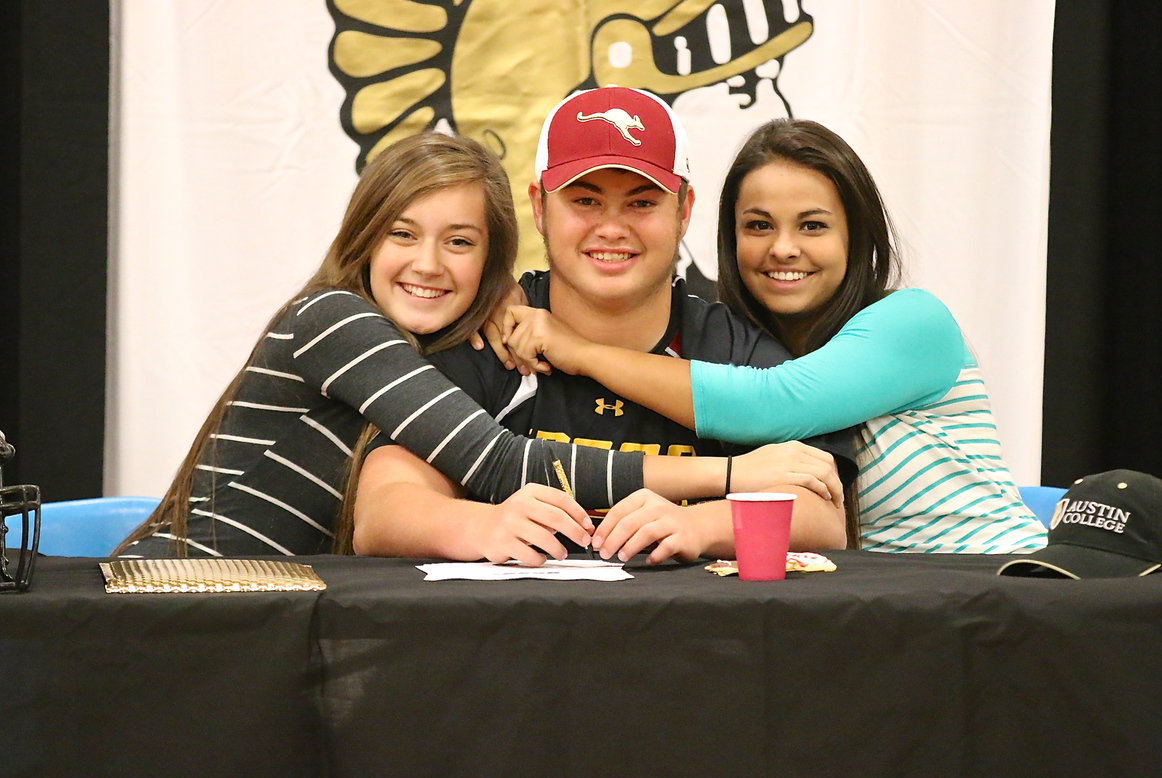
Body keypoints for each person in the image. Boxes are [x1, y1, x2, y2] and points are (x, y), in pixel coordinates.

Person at [116, 131, 824, 562]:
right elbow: (499, 462)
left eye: (459, 242)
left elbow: (826, 514)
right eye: (402, 234)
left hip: (263, 602)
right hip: (178, 588)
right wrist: (734, 477)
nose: (428, 264)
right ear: (363, 237)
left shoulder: (468, 332)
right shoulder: (334, 320)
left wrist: (502, 298)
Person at [356, 89, 858, 566]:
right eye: (585, 201)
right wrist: (481, 523)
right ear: (539, 207)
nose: (612, 228)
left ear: (683, 212)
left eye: (642, 203)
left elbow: (823, 514)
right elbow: (382, 510)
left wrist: (700, 525)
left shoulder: (730, 344)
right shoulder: (489, 333)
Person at [498, 118, 1046, 554]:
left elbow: (774, 402)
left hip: (998, 576)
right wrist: (496, 296)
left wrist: (579, 350)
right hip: (889, 604)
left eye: (813, 225)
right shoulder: (742, 339)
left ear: (857, 235)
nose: (783, 248)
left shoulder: (913, 321)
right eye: (759, 226)